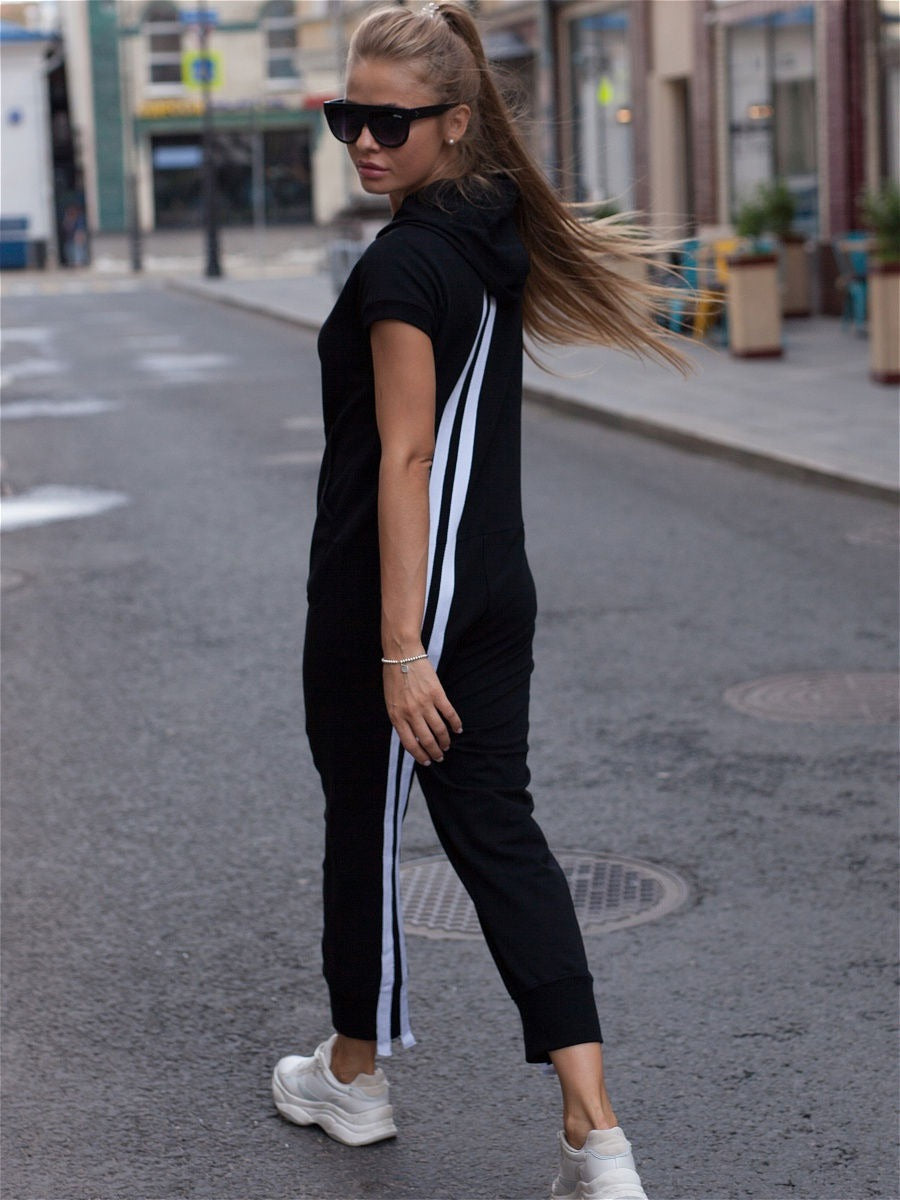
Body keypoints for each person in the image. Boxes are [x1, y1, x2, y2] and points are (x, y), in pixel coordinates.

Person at [272, 4, 687, 1197]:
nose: (364, 140)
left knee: (366, 826)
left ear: (455, 123)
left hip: (399, 599)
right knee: (500, 835)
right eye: (347, 117)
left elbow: (407, 456)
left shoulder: (404, 263)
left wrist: (400, 645)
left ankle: (354, 1078)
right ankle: (596, 1134)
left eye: (389, 121)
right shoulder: (487, 233)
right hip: (497, 588)